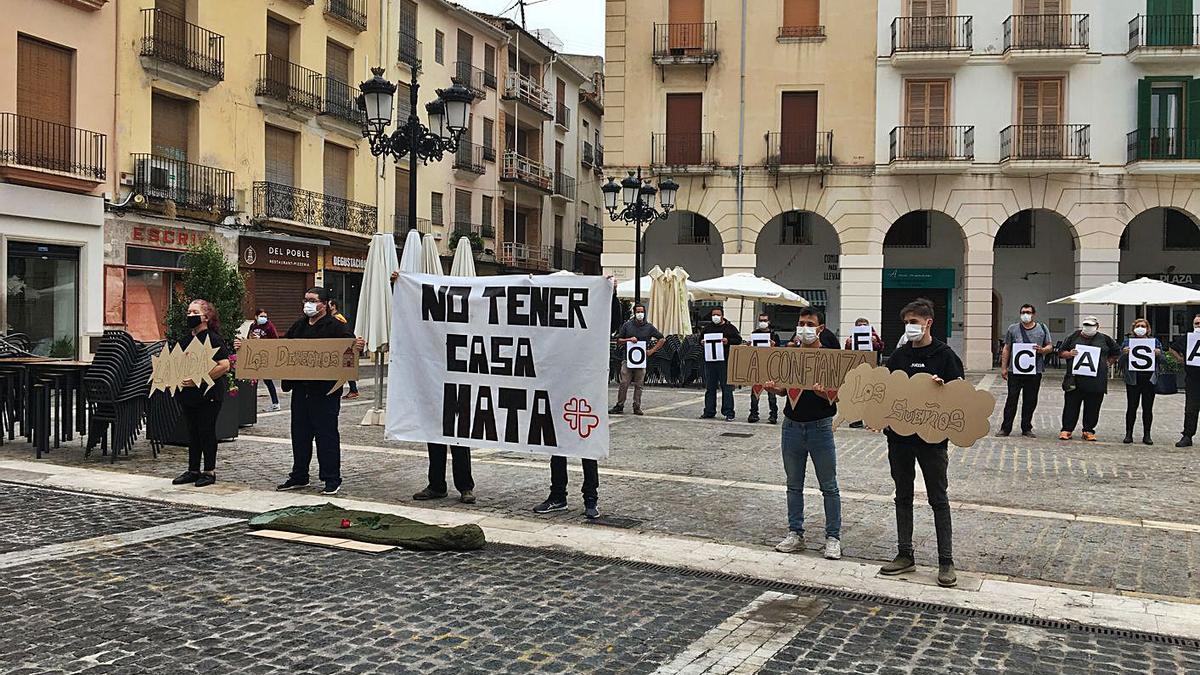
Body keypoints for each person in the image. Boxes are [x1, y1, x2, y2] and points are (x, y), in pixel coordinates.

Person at [237, 288, 363, 495]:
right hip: (301, 390)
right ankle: (299, 475)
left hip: (325, 392)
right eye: (305, 300)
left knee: (326, 436)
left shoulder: (337, 327)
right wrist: (247, 348)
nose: (308, 304)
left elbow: (349, 349)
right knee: (300, 435)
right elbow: (282, 350)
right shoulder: (299, 325)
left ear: (325, 304)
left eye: (312, 301)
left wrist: (357, 346)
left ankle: (331, 478)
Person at [877, 299, 964, 588]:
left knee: (938, 498)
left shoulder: (945, 355)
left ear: (928, 323)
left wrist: (944, 388)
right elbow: (885, 392)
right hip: (899, 439)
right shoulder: (899, 356)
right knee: (902, 495)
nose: (910, 327)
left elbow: (960, 396)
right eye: (907, 322)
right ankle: (905, 554)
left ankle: (946, 561)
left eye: (914, 322)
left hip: (932, 441)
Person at [533, 277, 619, 520]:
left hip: (584, 394)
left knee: (587, 448)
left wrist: (610, 296)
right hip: (559, 393)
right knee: (557, 447)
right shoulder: (553, 331)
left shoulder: (590, 329)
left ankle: (590, 498)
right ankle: (558, 496)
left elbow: (610, 322)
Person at [763, 307, 842, 560]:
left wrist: (823, 393)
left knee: (829, 486)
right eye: (801, 323)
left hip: (820, 426)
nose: (804, 328)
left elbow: (840, 396)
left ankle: (833, 537)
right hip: (791, 427)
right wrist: (773, 389)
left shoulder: (831, 358)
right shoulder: (790, 355)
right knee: (793, 485)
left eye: (809, 324)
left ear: (820, 329)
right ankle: (795, 533)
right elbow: (786, 391)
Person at [171, 299, 232, 488]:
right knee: (192, 431)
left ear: (206, 317)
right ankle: (193, 469)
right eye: (188, 312)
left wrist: (201, 378)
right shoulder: (186, 339)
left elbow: (224, 365)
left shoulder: (212, 338)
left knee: (206, 431)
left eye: (194, 312)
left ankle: (209, 471)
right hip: (189, 394)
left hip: (209, 394)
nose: (190, 316)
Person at [1058, 316, 1120, 442]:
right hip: (1075, 378)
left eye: (1091, 325)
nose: (1088, 327)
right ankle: (1067, 429)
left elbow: (1116, 352)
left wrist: (1107, 363)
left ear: (1097, 326)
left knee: (1093, 406)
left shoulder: (1105, 339)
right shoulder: (1073, 337)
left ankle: (1088, 430)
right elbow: (1061, 352)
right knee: (1071, 404)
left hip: (1096, 380)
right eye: (1086, 325)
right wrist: (1069, 354)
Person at [997, 304, 1054, 438]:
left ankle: (1026, 427)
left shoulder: (1042, 328)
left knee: (1030, 400)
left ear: (1033, 314)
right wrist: (1004, 367)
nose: (1025, 314)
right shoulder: (1013, 329)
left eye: (1028, 312)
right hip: (1015, 371)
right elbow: (1007, 348)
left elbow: (1050, 346)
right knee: (1011, 399)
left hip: (1034, 371)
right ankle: (1005, 428)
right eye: (1023, 312)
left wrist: (1043, 350)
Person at [611, 303, 664, 416]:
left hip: (641, 360)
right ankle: (620, 404)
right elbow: (619, 340)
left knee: (639, 384)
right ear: (634, 313)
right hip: (627, 358)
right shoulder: (627, 325)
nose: (640, 314)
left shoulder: (649, 327)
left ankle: (637, 406)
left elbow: (662, 339)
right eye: (638, 312)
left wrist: (652, 350)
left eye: (642, 312)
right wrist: (629, 340)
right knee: (624, 382)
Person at [1120, 318, 1163, 445]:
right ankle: (1129, 434)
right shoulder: (1128, 342)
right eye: (1138, 326)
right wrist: (1124, 353)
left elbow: (1163, 360)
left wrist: (1159, 354)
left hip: (1149, 379)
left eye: (1143, 326)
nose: (1140, 328)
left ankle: (1147, 434)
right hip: (1133, 379)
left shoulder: (1154, 342)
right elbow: (1120, 362)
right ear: (1133, 329)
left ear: (1148, 329)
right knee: (1131, 407)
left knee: (1147, 408)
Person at [700, 307, 742, 421]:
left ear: (722, 316)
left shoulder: (730, 328)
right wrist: (702, 342)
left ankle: (728, 412)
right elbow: (700, 339)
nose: (715, 317)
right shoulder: (707, 328)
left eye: (718, 315)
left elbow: (738, 340)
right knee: (710, 387)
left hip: (724, 361)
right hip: (710, 361)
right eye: (714, 315)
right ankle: (709, 411)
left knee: (726, 387)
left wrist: (728, 341)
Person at [844, 317, 883, 428]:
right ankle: (856, 419)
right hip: (857, 371)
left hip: (871, 370)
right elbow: (848, 355)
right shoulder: (852, 337)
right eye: (860, 324)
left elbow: (880, 349)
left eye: (864, 324)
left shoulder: (874, 336)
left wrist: (875, 343)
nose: (862, 327)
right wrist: (848, 344)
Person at [1169, 313, 1200, 447]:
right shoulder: (1188, 338)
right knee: (1191, 409)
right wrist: (1181, 360)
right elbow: (1172, 348)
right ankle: (1187, 435)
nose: (1198, 326)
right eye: (1196, 323)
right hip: (1193, 378)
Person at [247, 307, 280, 412]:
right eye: (261, 316)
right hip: (254, 355)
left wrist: (261, 340)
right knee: (253, 381)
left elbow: (275, 340)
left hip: (265, 356)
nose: (263, 318)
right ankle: (251, 404)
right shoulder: (253, 326)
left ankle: (275, 403)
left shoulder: (269, 326)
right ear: (256, 317)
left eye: (265, 316)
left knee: (267, 380)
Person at [748, 313, 778, 424]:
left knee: (772, 392)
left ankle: (773, 414)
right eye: (761, 320)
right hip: (757, 366)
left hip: (770, 366)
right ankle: (753, 413)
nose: (762, 322)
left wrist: (774, 346)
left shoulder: (774, 335)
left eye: (764, 320)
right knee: (755, 391)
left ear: (769, 322)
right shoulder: (754, 334)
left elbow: (779, 352)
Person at [329, 299, 360, 400]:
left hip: (344, 347)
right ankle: (353, 390)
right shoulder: (335, 317)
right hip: (341, 347)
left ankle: (353, 390)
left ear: (333, 306)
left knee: (346, 368)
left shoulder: (338, 318)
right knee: (346, 369)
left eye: (329, 305)